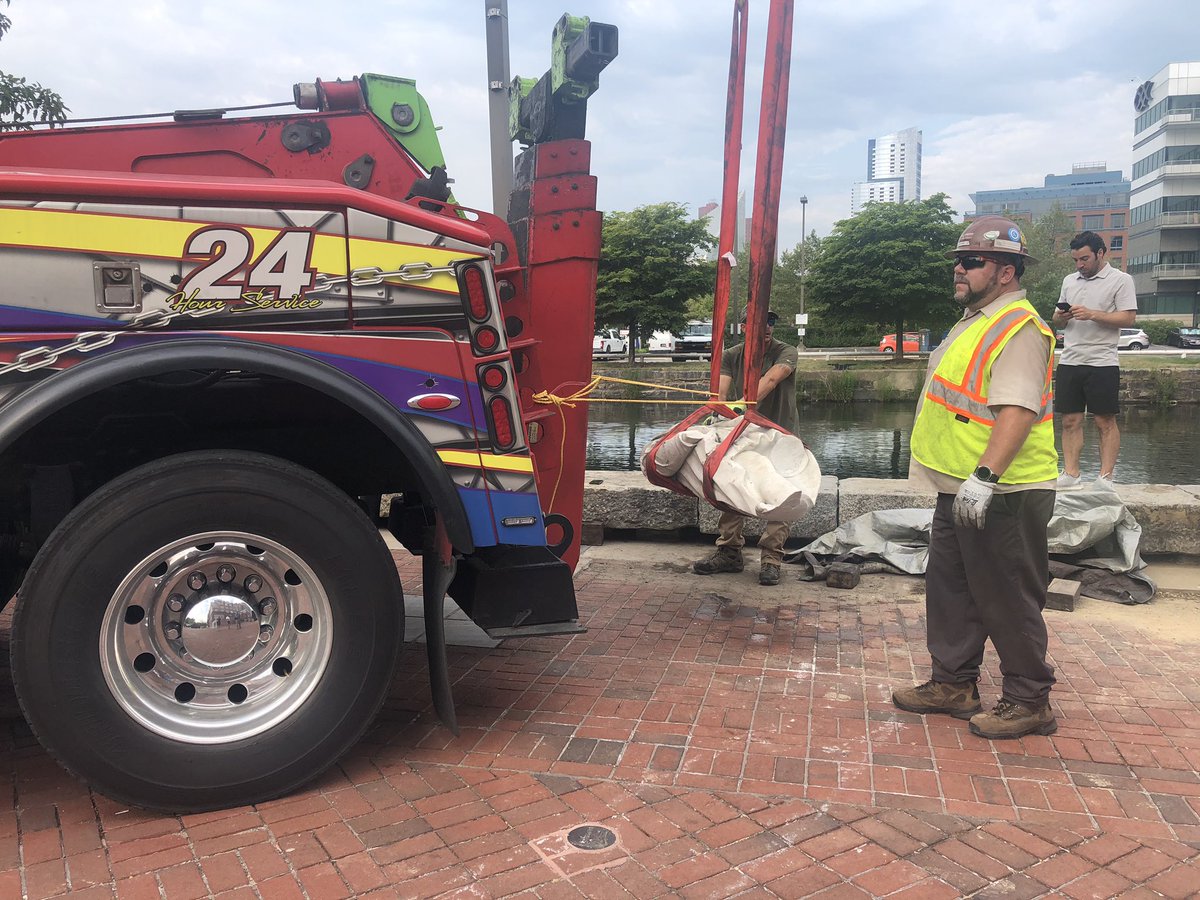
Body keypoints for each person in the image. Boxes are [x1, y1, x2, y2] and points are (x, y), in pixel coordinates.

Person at [894, 216, 1060, 740]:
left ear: (1006, 272)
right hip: (959, 487)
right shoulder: (975, 321)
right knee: (952, 591)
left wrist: (985, 477)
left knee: (1007, 595)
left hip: (1003, 491)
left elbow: (1017, 411)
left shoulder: (1020, 328)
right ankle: (954, 684)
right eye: (958, 261)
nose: (959, 270)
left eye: (972, 262)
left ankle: (1030, 700)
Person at [692, 308, 799, 586]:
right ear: (743, 326)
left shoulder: (785, 351)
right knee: (731, 489)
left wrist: (742, 404)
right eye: (757, 321)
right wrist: (718, 409)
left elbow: (773, 379)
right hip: (742, 434)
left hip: (781, 438)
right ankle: (729, 552)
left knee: (781, 497)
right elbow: (721, 391)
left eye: (771, 321)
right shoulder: (731, 355)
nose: (766, 326)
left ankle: (772, 560)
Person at [1052, 231, 1138, 487]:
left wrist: (1092, 314)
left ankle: (1106, 476)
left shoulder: (1121, 280)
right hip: (1070, 359)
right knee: (1069, 420)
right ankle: (1071, 474)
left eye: (1085, 259)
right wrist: (1062, 317)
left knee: (1104, 420)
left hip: (1103, 361)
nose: (1080, 265)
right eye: (1076, 260)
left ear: (1101, 254)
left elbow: (1128, 318)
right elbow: (1057, 318)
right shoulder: (1069, 280)